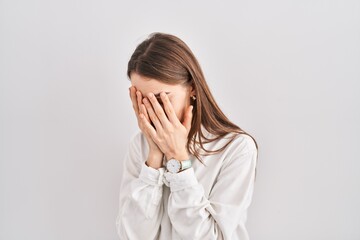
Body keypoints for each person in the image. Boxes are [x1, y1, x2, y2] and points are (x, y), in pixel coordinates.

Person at [115, 32, 259, 240]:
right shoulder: (140, 145)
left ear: (191, 88)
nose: (152, 111)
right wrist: (154, 158)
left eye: (160, 99)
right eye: (141, 100)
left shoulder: (237, 149)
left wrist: (178, 159)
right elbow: (132, 236)